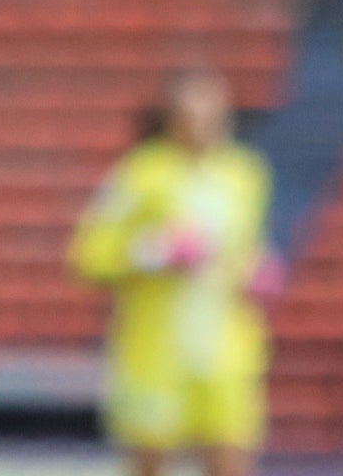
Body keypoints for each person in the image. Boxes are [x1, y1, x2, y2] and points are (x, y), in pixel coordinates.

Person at [69, 69, 278, 476]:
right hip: (156, 348)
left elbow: (247, 247)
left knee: (231, 458)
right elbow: (89, 256)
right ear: (172, 117)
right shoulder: (140, 174)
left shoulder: (244, 175)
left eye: (212, 112)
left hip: (226, 344)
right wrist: (155, 251)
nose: (203, 123)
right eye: (192, 112)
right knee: (149, 462)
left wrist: (258, 268)